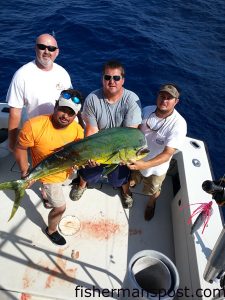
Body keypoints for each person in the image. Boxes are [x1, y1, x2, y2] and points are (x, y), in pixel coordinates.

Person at [14, 89, 84, 246]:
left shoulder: (78, 130)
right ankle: (51, 230)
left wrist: (87, 162)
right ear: (55, 106)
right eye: (62, 109)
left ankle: (45, 195)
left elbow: (78, 155)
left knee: (64, 184)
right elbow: (20, 148)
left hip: (66, 171)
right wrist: (25, 171)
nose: (65, 116)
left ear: (76, 115)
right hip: (49, 176)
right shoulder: (34, 125)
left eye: (70, 113)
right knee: (60, 207)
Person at [70, 60, 142, 208]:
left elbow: (130, 135)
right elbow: (91, 131)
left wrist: (123, 156)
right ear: (102, 79)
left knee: (118, 180)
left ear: (123, 80)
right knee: (88, 173)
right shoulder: (92, 98)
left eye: (116, 78)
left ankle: (126, 192)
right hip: (98, 148)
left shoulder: (131, 99)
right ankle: (82, 185)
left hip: (120, 151)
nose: (112, 81)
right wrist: (91, 156)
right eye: (107, 77)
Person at [127, 83, 187, 221]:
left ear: (176, 101)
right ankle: (134, 182)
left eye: (169, 98)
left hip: (156, 169)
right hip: (137, 159)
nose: (164, 100)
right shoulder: (147, 110)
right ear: (157, 96)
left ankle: (151, 204)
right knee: (133, 179)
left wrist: (145, 165)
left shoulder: (179, 124)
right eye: (162, 96)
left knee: (153, 191)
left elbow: (167, 154)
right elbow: (134, 131)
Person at [6, 33, 72, 152]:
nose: (47, 51)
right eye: (42, 47)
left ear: (57, 52)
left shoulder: (63, 73)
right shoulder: (22, 75)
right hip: (34, 137)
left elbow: (71, 104)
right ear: (35, 48)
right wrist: (12, 145)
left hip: (60, 133)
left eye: (51, 48)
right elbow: (14, 113)